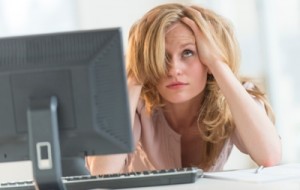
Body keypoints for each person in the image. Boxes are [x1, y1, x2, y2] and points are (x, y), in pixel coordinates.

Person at [86, 3, 281, 175]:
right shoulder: (134, 102)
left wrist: (217, 63)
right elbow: (101, 173)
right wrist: (136, 73)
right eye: (161, 56)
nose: (173, 70)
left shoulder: (234, 97)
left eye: (188, 52)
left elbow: (269, 157)